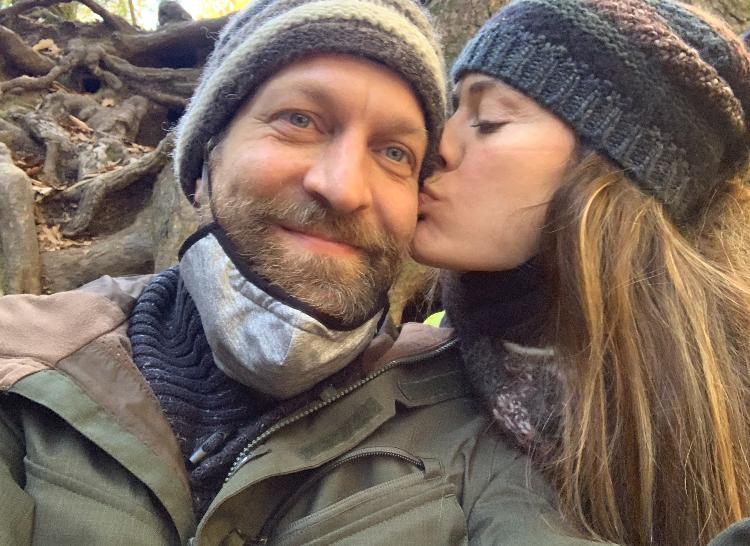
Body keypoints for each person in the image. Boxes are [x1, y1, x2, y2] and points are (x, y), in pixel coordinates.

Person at [0, 1, 605, 545]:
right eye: (299, 120)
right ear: (204, 162)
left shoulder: (475, 426)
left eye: (395, 153)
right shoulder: (21, 362)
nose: (342, 187)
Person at [411, 1, 750, 545]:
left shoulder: (724, 402)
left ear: (611, 169)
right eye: (452, 111)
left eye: (488, 120)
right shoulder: (404, 368)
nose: (437, 147)